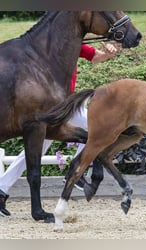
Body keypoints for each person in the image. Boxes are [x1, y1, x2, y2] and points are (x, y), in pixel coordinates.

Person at [0, 42, 117, 217]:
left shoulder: (74, 43)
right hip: (50, 107)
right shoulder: (44, 46)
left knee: (96, 129)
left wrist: (108, 53)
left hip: (65, 107)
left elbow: (96, 56)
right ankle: (3, 189)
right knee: (34, 152)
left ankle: (2, 188)